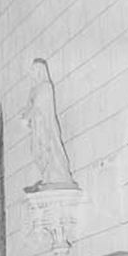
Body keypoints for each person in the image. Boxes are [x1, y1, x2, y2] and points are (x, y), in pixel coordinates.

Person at [20, 58, 77, 192]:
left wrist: (27, 115)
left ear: (40, 70)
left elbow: (39, 105)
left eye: (34, 69)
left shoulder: (46, 86)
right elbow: (29, 106)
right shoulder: (33, 89)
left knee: (49, 148)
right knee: (36, 150)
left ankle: (56, 175)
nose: (32, 72)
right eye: (32, 70)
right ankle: (47, 175)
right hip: (36, 126)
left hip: (45, 126)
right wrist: (25, 115)